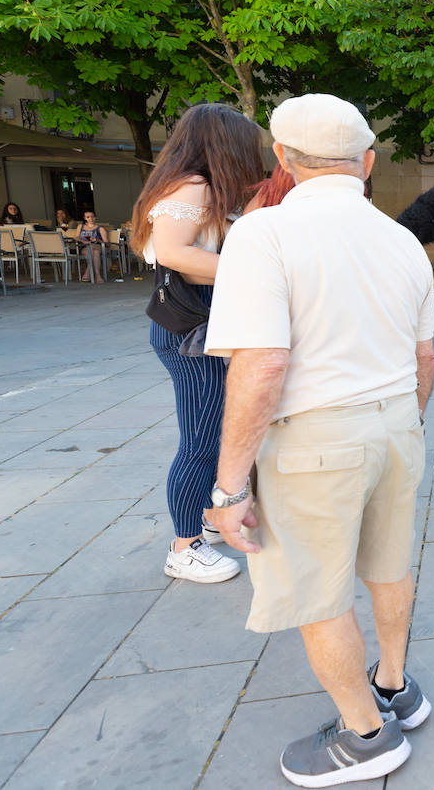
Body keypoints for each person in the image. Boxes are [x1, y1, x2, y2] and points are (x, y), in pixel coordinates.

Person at [204, 94, 434, 788]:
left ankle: (366, 734)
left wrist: (228, 485)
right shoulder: (401, 240)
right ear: (367, 162)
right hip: (397, 419)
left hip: (314, 436)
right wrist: (406, 422)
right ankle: (394, 685)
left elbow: (262, 364)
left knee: (319, 591)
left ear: (282, 158)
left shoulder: (262, 234)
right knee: (390, 563)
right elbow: (425, 357)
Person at [130, 103, 264, 584]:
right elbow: (172, 253)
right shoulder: (193, 186)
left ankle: (208, 520)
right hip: (190, 332)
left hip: (200, 327)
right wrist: (254, 269)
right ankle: (184, 546)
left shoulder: (196, 186)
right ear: (223, 144)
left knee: (218, 434)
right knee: (202, 443)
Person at [76, 210, 109, 283]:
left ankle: (88, 273)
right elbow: (76, 237)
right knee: (95, 253)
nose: (91, 219)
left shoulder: (100, 229)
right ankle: (97, 275)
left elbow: (107, 244)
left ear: (95, 218)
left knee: (92, 246)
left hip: (98, 246)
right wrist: (83, 241)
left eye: (92, 217)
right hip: (85, 247)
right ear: (84, 218)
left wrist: (97, 239)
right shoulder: (80, 226)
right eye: (88, 217)